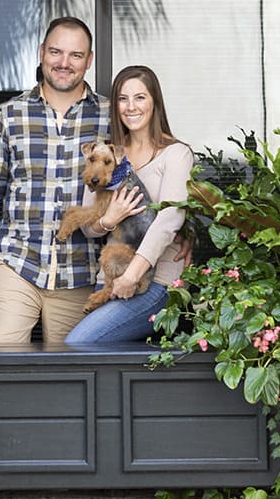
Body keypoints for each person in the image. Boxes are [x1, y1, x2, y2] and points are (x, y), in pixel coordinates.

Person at [0, 17, 109, 345]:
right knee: (3, 363)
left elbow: (140, 179)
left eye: (76, 55)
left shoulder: (109, 117)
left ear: (89, 61)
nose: (64, 63)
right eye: (56, 52)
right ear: (41, 53)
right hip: (17, 265)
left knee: (74, 380)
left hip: (82, 273)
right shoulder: (8, 116)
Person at [64, 65, 193, 344]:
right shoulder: (107, 154)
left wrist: (132, 276)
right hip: (114, 276)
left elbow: (169, 220)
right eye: (123, 98)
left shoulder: (175, 154)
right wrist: (109, 219)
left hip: (155, 283)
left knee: (79, 343)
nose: (130, 106)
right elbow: (90, 228)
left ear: (155, 101)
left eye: (140, 97)